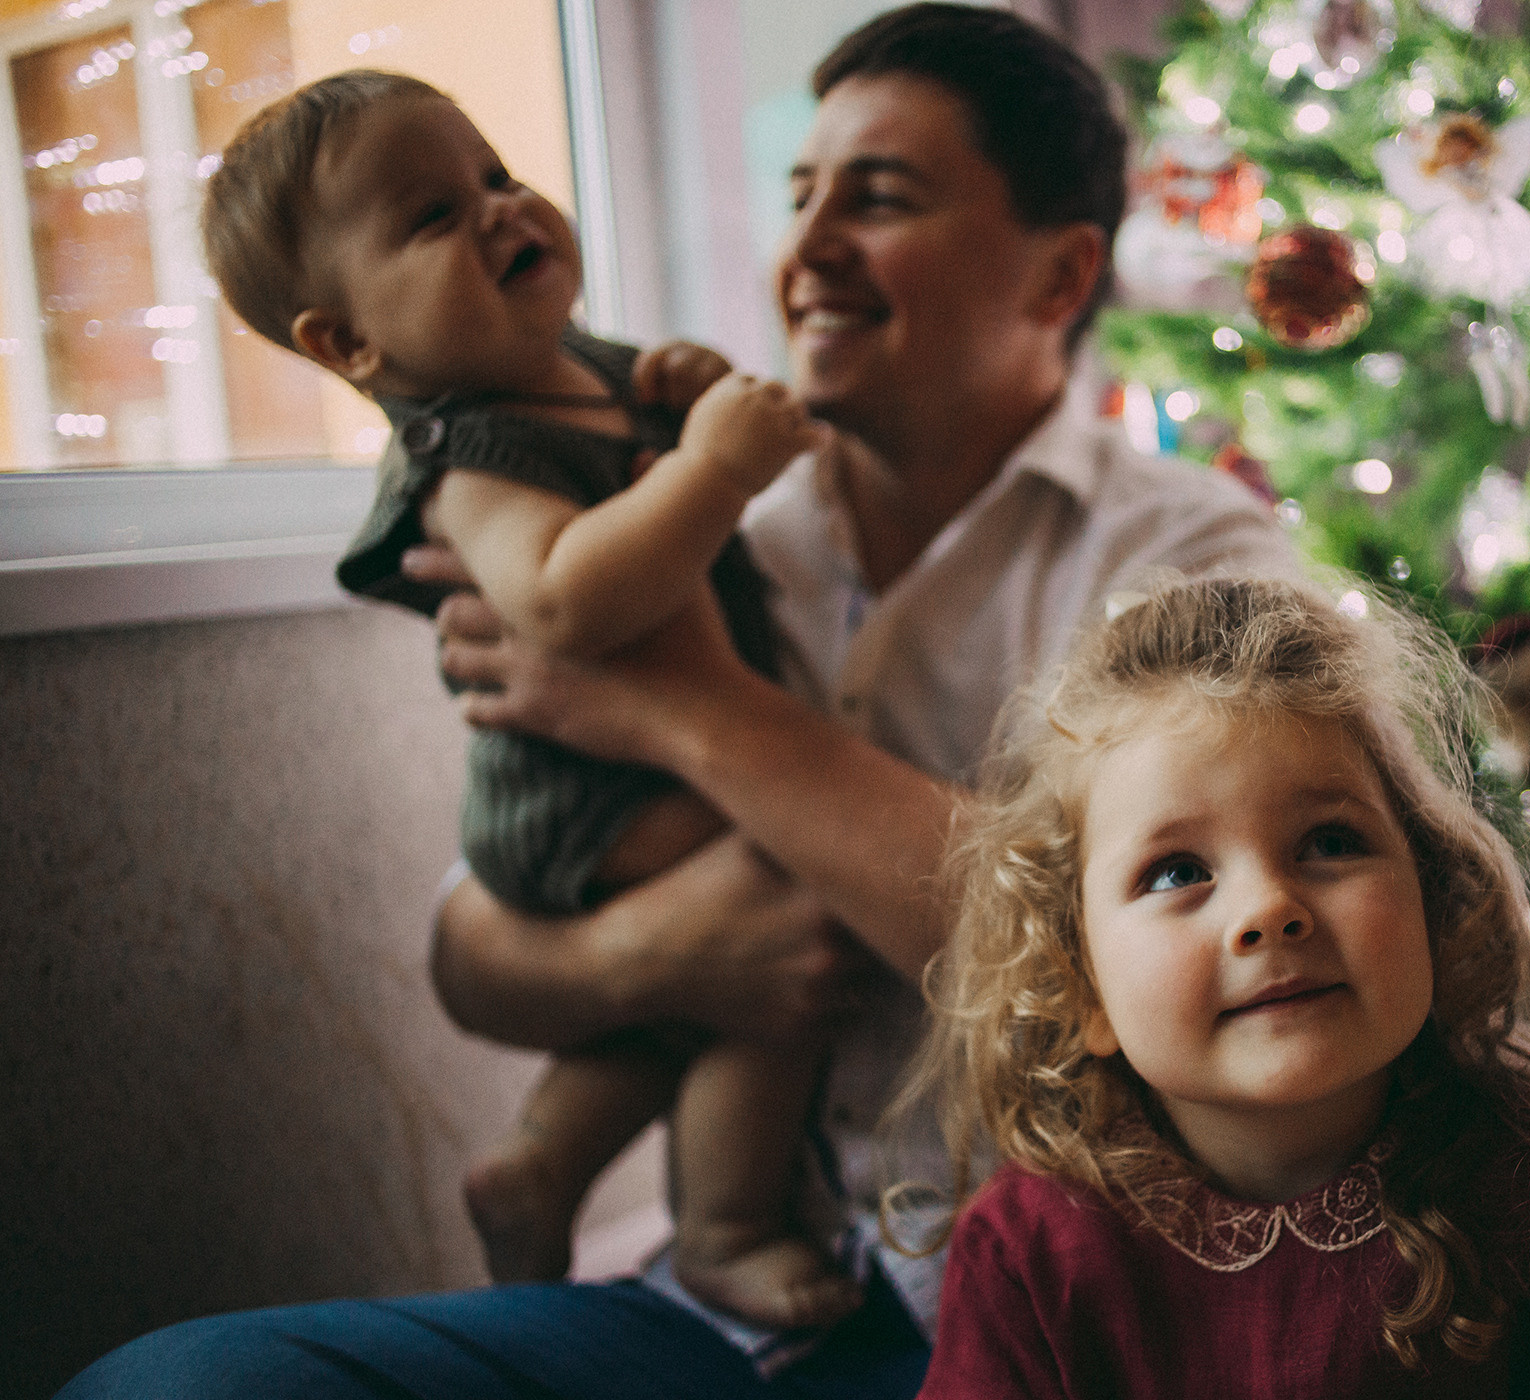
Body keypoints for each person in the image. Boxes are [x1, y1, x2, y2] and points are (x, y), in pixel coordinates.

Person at [60, 6, 1296, 1395]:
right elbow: (476, 947)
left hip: (1061, 1319)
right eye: (799, 194)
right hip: (725, 1303)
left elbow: (1143, 965)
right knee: (178, 1387)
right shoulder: (685, 516)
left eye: (877, 199)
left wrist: (691, 710)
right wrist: (649, 961)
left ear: (1061, 274)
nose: (809, 248)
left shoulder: (1196, 568)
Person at [198, 70, 859, 1330]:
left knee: (703, 976)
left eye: (496, 175)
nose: (503, 211)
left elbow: (649, 447)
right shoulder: (469, 451)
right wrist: (715, 465)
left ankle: (543, 1160)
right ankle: (727, 1225)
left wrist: (683, 386)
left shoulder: (572, 367)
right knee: (785, 920)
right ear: (347, 342)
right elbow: (562, 601)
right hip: (581, 791)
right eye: (435, 215)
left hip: (632, 770)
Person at [905, 575, 1530, 1398]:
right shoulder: (1032, 1255)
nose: (1269, 909)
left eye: (1330, 843)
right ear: (1082, 989)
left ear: (1433, 902)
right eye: (1174, 872)